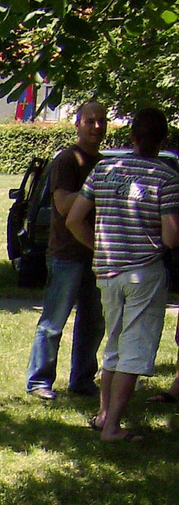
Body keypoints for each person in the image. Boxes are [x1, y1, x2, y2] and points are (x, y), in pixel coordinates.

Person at [67, 106, 179, 442]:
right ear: (162, 140)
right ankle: (113, 426)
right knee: (134, 349)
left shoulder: (105, 168)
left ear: (131, 136)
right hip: (144, 273)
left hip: (107, 271)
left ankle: (104, 416)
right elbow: (172, 237)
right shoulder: (167, 177)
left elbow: (73, 219)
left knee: (113, 342)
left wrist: (100, 248)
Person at [25, 100, 108, 400]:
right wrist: (94, 192)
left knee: (93, 323)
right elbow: (61, 204)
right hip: (67, 254)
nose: (97, 126)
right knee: (53, 322)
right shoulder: (67, 160)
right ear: (77, 124)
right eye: (90, 121)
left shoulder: (103, 162)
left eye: (102, 120)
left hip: (95, 253)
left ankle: (82, 381)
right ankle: (38, 382)